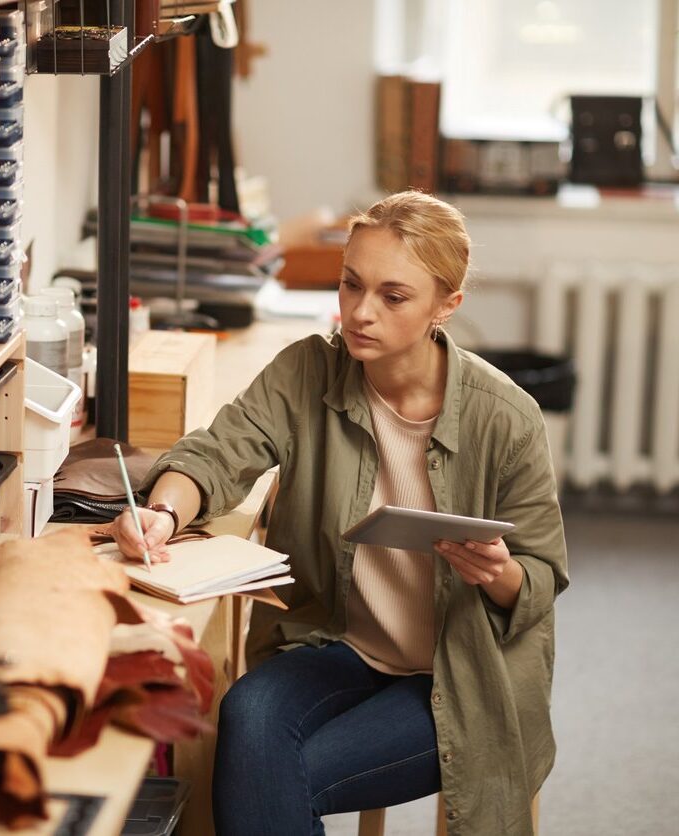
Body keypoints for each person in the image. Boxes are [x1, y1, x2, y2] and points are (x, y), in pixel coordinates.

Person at [110, 190, 568, 836]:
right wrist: (162, 510)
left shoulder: (508, 419)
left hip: (457, 675)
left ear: (447, 305)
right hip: (338, 645)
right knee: (248, 713)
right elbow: (219, 452)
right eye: (351, 285)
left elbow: (542, 579)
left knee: (267, 772)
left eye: (393, 296)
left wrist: (497, 574)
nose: (360, 312)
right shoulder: (306, 373)